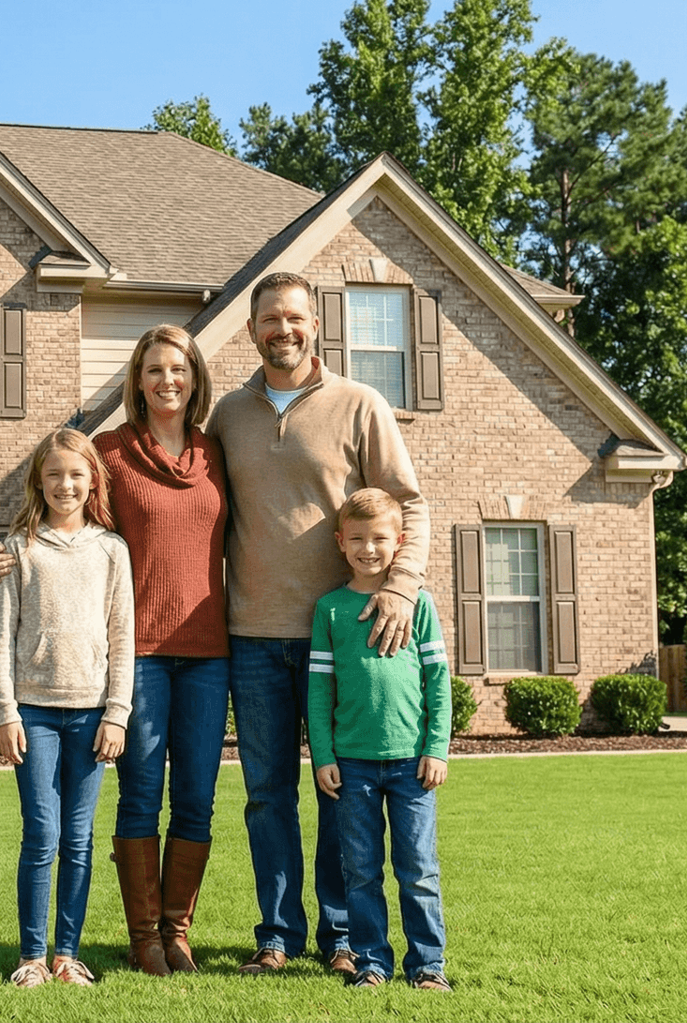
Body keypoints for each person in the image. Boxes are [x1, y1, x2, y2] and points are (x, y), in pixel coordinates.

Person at [0, 324, 230, 976]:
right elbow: (70, 516)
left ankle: (178, 931)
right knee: (141, 793)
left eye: (178, 368)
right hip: (137, 656)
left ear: (195, 376)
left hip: (209, 650)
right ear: (137, 379)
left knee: (199, 796)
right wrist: (12, 551)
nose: (166, 380)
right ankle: (142, 935)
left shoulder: (216, 451)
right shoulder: (109, 452)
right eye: (153, 369)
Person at [208, 271, 429, 978]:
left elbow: (408, 504)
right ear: (252, 329)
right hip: (252, 634)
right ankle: (275, 934)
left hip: (350, 635)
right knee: (268, 793)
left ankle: (342, 935)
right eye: (270, 318)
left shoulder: (360, 404)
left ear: (314, 325)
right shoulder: (227, 417)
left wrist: (399, 586)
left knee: (343, 791)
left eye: (295, 316)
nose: (284, 329)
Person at [0, 428, 135, 988]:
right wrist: (5, 712)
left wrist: (118, 711)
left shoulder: (110, 549)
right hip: (34, 715)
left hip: (93, 714)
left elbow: (123, 635)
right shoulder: (17, 550)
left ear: (92, 479)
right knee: (41, 834)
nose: (65, 484)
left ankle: (67, 955)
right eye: (54, 475)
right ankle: (30, 956)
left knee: (79, 838)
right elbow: (1, 638)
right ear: (38, 481)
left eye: (76, 474)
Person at [308, 488, 451, 991]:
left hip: (412, 763)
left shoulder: (421, 605)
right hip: (352, 766)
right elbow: (319, 690)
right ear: (340, 542)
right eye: (358, 539)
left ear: (400, 542)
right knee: (361, 871)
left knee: (418, 870)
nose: (369, 549)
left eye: (380, 539)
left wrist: (436, 748)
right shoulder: (329, 610)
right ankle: (371, 963)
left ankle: (428, 965)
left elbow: (438, 682)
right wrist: (322, 755)